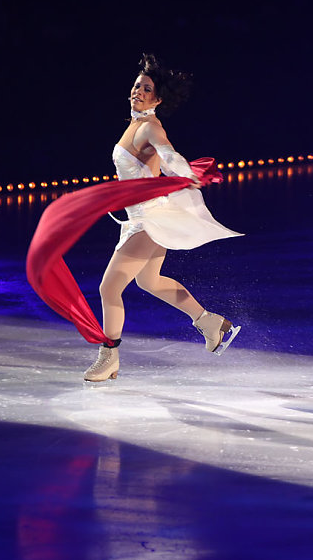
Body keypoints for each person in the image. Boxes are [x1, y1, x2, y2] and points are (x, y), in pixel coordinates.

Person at [84, 54, 242, 382]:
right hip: (139, 219)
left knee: (108, 289)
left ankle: (109, 356)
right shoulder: (135, 124)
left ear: (157, 99)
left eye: (146, 89)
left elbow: (169, 154)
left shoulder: (150, 126)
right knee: (149, 282)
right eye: (137, 85)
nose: (138, 91)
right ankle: (210, 322)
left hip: (149, 220)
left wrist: (186, 173)